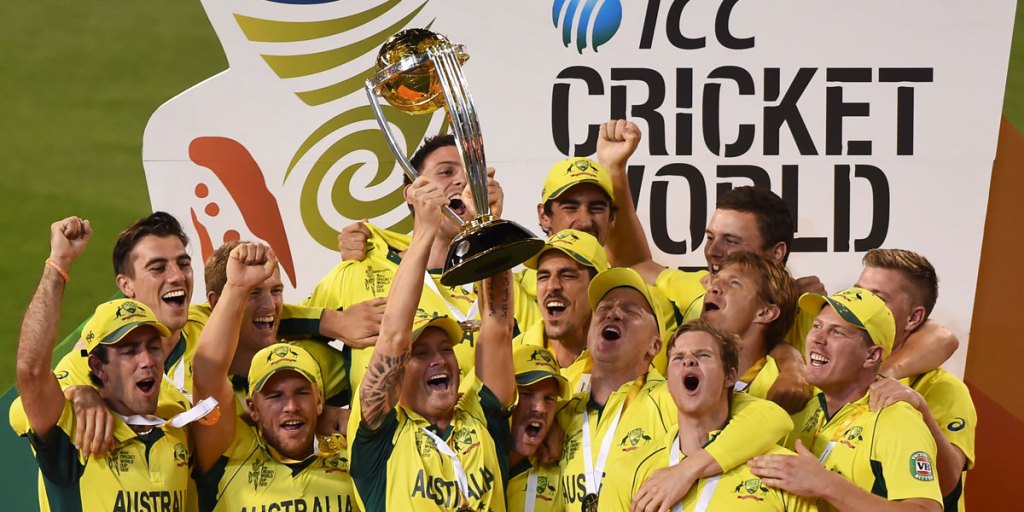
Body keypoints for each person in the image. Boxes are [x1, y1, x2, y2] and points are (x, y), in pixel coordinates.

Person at [597, 119, 959, 412]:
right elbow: (633, 264)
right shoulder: (702, 287)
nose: (714, 253)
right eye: (710, 237)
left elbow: (940, 337)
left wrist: (880, 374)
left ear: (776, 253)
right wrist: (614, 169)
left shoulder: (813, 312)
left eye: (732, 242)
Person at [305, 134, 539, 395]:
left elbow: (544, 363)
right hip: (386, 435)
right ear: (411, 193)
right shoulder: (360, 269)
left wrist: (488, 227)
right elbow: (276, 331)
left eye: (471, 173)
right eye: (446, 171)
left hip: (481, 432)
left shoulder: (501, 282)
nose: (463, 180)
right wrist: (332, 323)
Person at [557, 266, 793, 512]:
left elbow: (772, 419)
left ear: (654, 345)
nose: (613, 314)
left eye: (631, 311)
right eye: (604, 308)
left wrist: (686, 470)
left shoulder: (674, 396)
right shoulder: (563, 409)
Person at [346, 175, 517, 511]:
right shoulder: (381, 436)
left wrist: (486, 224)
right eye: (420, 353)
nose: (439, 359)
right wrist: (425, 230)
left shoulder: (480, 415)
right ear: (396, 375)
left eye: (446, 349)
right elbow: (394, 336)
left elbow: (497, 324)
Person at [10, 217, 195, 510]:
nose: (146, 360)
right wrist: (58, 265)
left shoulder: (176, 429)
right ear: (97, 367)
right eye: (130, 351)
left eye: (152, 348)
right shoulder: (75, 430)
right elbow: (31, 374)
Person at [190, 242, 360, 511]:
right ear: (252, 406)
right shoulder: (232, 445)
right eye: (275, 395)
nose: (290, 406)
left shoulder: (354, 459)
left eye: (302, 392)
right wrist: (236, 287)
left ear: (319, 398)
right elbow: (206, 371)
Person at [749, 288, 943, 511]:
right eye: (817, 326)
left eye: (837, 332)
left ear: (872, 356)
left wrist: (826, 484)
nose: (817, 339)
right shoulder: (801, 409)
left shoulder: (895, 417)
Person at [602, 320, 818, 511]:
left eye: (703, 355)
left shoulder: (782, 471)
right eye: (678, 358)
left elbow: (776, 417)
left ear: (730, 375)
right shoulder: (627, 471)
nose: (688, 361)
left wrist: (686, 471)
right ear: (668, 384)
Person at [858, 249, 977, 510]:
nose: (859, 306)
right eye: (858, 292)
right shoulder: (831, 372)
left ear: (914, 318)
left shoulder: (943, 388)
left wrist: (920, 410)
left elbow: (947, 482)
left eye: (877, 299)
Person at [515, 229, 609, 393]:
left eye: (567, 275)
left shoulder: (619, 362)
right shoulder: (511, 356)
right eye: (543, 276)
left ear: (597, 289)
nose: (552, 286)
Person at [701, 252, 799, 398]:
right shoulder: (681, 370)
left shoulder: (784, 388)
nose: (712, 288)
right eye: (715, 280)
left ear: (765, 313)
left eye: (734, 283)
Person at [507, 345, 569, 512]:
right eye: (526, 394)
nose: (541, 408)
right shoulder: (471, 448)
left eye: (549, 398)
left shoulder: (557, 478)